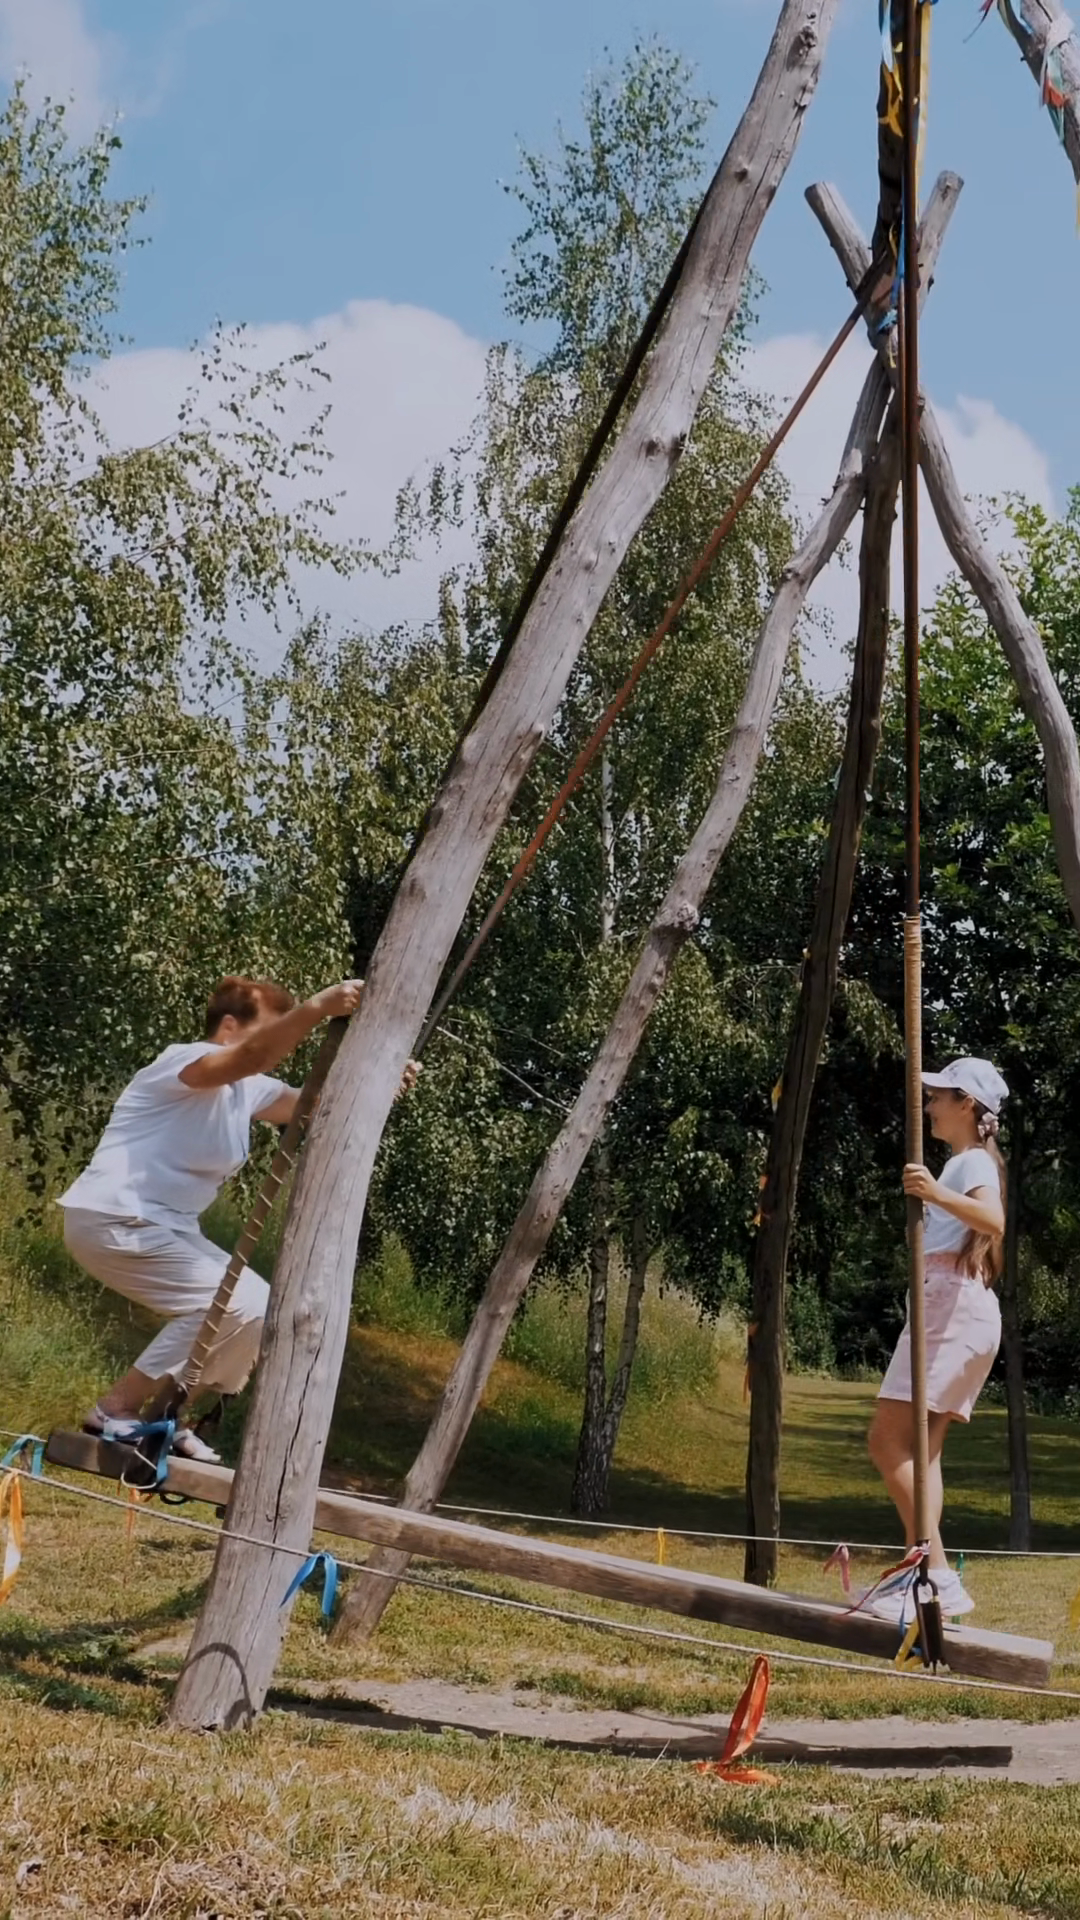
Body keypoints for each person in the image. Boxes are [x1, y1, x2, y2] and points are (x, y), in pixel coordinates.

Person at [59, 974, 368, 1463]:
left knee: (261, 1307)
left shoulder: (248, 1088)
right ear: (228, 1027)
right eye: (270, 1030)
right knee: (231, 1302)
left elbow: (311, 1103)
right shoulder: (181, 1061)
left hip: (166, 1227)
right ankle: (114, 1410)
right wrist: (315, 1009)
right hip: (114, 1218)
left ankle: (166, 1416)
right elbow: (254, 1056)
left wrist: (378, 1080)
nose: (278, 1048)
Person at [866, 1056, 1008, 1622]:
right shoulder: (966, 1161)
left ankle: (938, 1575)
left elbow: (993, 1220)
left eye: (938, 1096)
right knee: (923, 1456)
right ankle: (918, 1577)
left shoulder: (970, 1161)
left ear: (966, 1105)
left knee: (886, 1442)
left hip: (949, 1306)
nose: (927, 1106)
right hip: (964, 1307)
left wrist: (932, 1191)